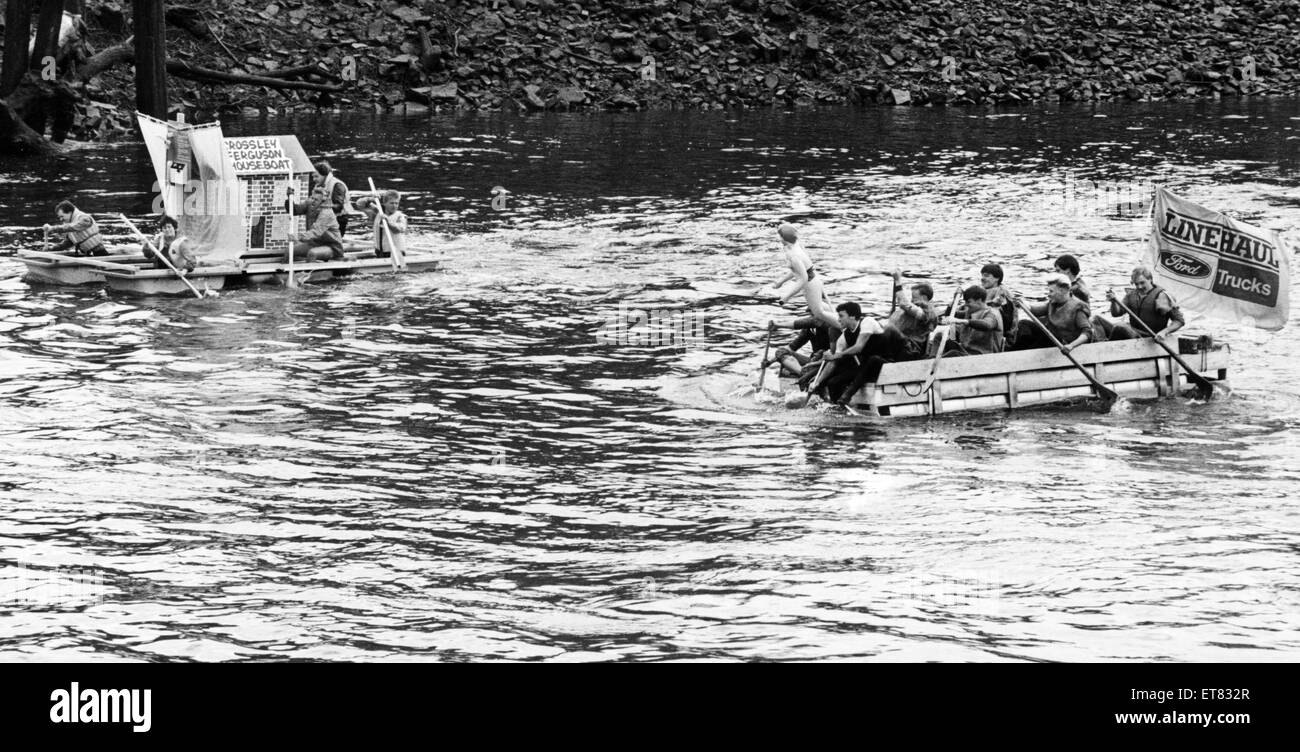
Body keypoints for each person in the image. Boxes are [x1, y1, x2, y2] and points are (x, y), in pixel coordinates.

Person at [763, 224, 838, 329]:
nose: (778, 238)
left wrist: (786, 297)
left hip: (810, 283)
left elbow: (803, 278)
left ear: (784, 238)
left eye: (780, 236)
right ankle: (840, 318)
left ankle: (842, 327)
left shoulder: (794, 256)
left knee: (818, 312)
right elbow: (796, 272)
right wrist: (781, 282)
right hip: (813, 280)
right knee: (819, 308)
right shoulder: (794, 246)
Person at [807, 302, 882, 403]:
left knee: (871, 361)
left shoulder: (867, 322)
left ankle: (847, 396)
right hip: (864, 368)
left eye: (841, 316)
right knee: (833, 382)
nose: (838, 319)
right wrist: (818, 382)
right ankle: (837, 407)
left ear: (852, 316)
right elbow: (833, 361)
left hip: (883, 364)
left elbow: (858, 347)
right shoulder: (844, 337)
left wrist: (837, 355)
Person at [1094, 266, 1185, 340]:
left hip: (1148, 337)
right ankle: (1102, 346)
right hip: (1132, 332)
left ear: (1150, 279)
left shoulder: (1162, 296)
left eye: (1142, 283)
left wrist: (1164, 332)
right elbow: (1116, 314)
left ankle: (1108, 347)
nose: (1139, 287)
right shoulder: (1131, 295)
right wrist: (1113, 302)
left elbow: (1179, 321)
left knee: (1120, 327)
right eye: (1136, 284)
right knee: (1096, 319)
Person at [1009, 274, 1092, 352]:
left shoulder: (1078, 308)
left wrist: (1071, 346)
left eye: (1051, 291)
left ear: (1062, 291)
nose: (1049, 294)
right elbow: (1036, 311)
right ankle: (1016, 352)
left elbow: (1087, 333)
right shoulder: (1053, 303)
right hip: (1051, 339)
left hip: (1063, 344)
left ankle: (1024, 354)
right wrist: (1023, 304)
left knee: (1043, 340)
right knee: (1024, 324)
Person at [765, 309, 842, 390]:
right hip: (813, 361)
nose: (811, 316)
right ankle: (803, 373)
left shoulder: (830, 324)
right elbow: (792, 347)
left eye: (813, 314)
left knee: (820, 355)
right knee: (781, 352)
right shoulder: (809, 328)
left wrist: (777, 325)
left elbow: (800, 323)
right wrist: (770, 362)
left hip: (827, 362)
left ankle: (806, 376)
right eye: (810, 314)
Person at [939, 285, 1004, 356]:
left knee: (953, 353)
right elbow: (949, 315)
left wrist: (961, 321)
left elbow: (987, 325)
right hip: (967, 351)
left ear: (979, 301)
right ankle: (931, 359)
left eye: (968, 302)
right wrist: (954, 300)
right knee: (941, 336)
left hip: (984, 355)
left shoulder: (992, 313)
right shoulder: (970, 312)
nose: (966, 305)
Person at [285, 184, 343, 261]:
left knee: (312, 253)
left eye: (316, 200)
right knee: (290, 250)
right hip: (314, 243)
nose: (312, 201)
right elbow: (295, 210)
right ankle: (283, 270)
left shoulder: (327, 213)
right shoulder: (310, 203)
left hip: (331, 246)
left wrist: (297, 237)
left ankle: (308, 272)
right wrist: (289, 198)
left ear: (322, 202)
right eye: (312, 198)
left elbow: (315, 232)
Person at [355, 189, 408, 259]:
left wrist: (388, 221)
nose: (394, 206)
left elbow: (398, 229)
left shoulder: (401, 216)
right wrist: (370, 199)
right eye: (391, 203)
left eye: (396, 203)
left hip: (396, 253)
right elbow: (359, 204)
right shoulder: (377, 212)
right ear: (384, 203)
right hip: (380, 252)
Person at [42, 200, 106, 256]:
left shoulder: (84, 218)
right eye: (59, 217)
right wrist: (52, 249)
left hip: (99, 252)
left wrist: (53, 228)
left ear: (69, 212)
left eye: (62, 216)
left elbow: (74, 227)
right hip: (87, 254)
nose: (61, 219)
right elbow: (69, 242)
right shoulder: (68, 223)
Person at [313, 160, 356, 237]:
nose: (314, 179)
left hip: (339, 219)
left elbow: (338, 206)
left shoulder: (337, 185)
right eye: (313, 176)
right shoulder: (320, 185)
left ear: (324, 175)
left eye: (316, 176)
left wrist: (320, 208)